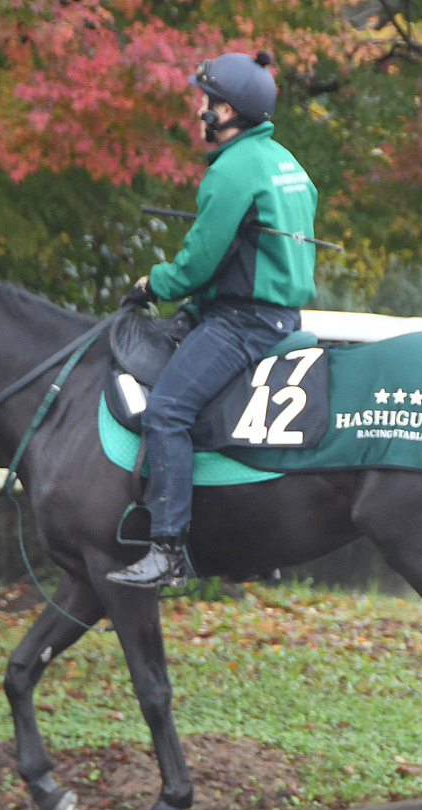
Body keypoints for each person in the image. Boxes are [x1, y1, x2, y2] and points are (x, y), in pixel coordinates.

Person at [106, 50, 318, 588]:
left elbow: (198, 263)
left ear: (230, 112)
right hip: (280, 316)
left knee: (168, 411)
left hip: (243, 323)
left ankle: (168, 550)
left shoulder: (232, 170)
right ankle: (253, 541)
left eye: (209, 101)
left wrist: (151, 283)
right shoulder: (286, 163)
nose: (202, 110)